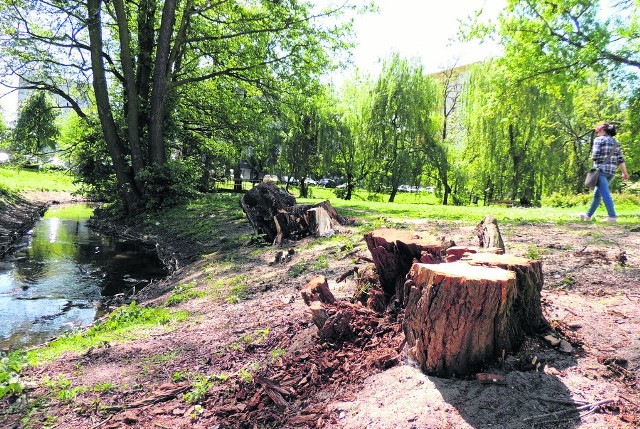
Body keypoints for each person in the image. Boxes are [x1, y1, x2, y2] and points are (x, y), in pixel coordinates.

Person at [580, 122, 629, 222]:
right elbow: (620, 159)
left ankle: (612, 216)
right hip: (611, 172)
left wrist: (595, 159)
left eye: (598, 131)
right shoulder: (616, 142)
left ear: (603, 130)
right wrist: (624, 172)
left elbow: (595, 156)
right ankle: (588, 216)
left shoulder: (599, 140)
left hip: (600, 171)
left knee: (605, 193)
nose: (597, 133)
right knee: (597, 194)